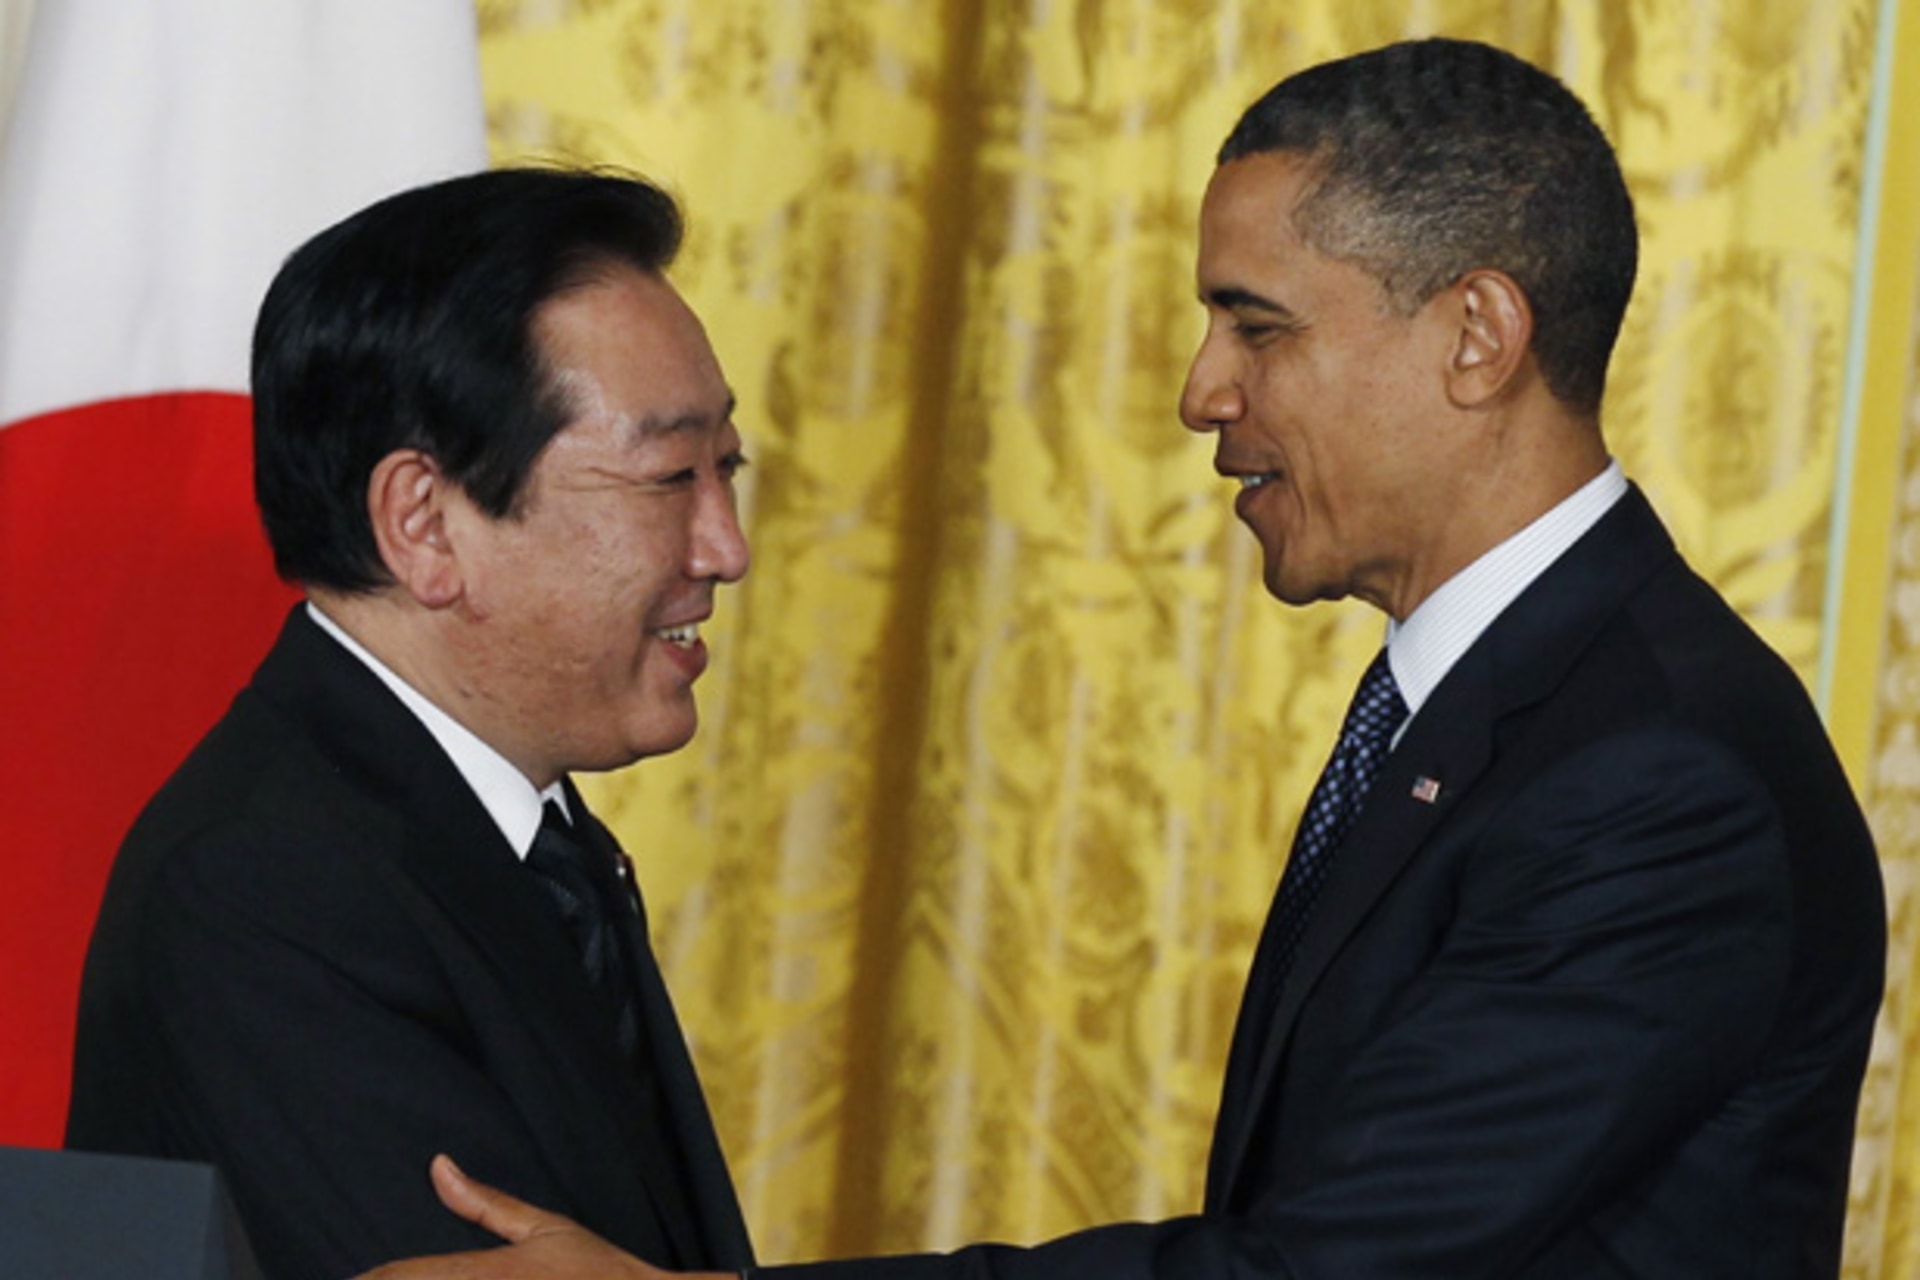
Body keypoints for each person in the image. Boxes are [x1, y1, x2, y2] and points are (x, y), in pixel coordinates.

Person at [362, 36, 1887, 1280]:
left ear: (1477, 338)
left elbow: (1322, 1268)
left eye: (1257, 328)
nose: (1200, 391)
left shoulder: (1656, 778)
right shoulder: (1500, 709)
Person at [64, 167, 756, 1280]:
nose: (726, 547)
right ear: (425, 522)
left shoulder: (517, 838)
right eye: (670, 475)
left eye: (727, 468)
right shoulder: (267, 886)